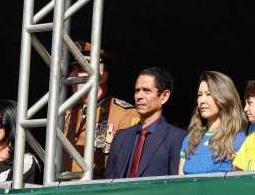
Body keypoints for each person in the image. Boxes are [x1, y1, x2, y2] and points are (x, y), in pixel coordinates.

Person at [62, 40, 138, 180]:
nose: (71, 76)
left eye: (80, 69)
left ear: (102, 77)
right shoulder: (71, 114)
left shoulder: (125, 114)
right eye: (72, 69)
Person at [106, 67, 187, 179]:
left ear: (164, 96)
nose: (139, 96)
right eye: (137, 90)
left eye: (147, 91)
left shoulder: (177, 137)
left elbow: (177, 185)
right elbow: (108, 183)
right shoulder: (120, 137)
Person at [179, 71, 248, 174]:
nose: (202, 100)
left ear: (224, 97)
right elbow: (180, 183)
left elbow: (238, 183)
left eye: (208, 94)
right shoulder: (190, 140)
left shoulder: (236, 139)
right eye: (199, 95)